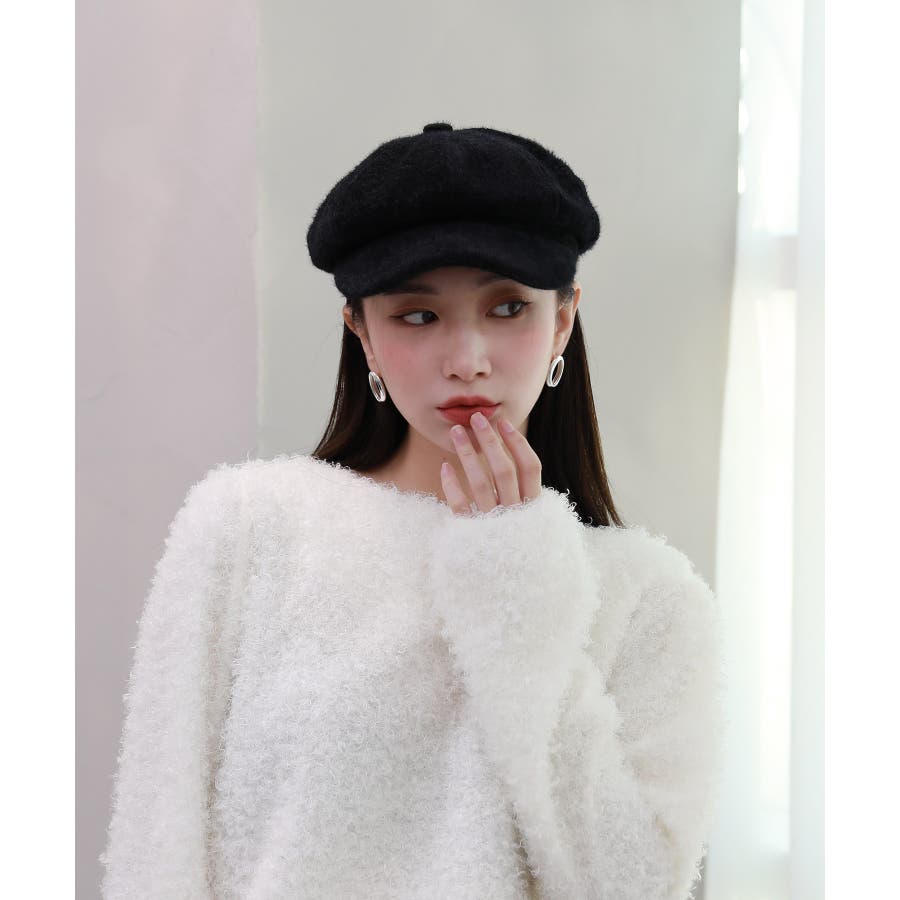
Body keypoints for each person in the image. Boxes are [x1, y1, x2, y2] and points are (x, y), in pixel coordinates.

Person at [99, 122, 727, 899]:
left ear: (563, 320)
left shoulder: (651, 599)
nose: (467, 359)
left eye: (508, 307)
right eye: (418, 315)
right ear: (360, 332)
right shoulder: (248, 528)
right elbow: (155, 848)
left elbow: (634, 885)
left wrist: (516, 577)